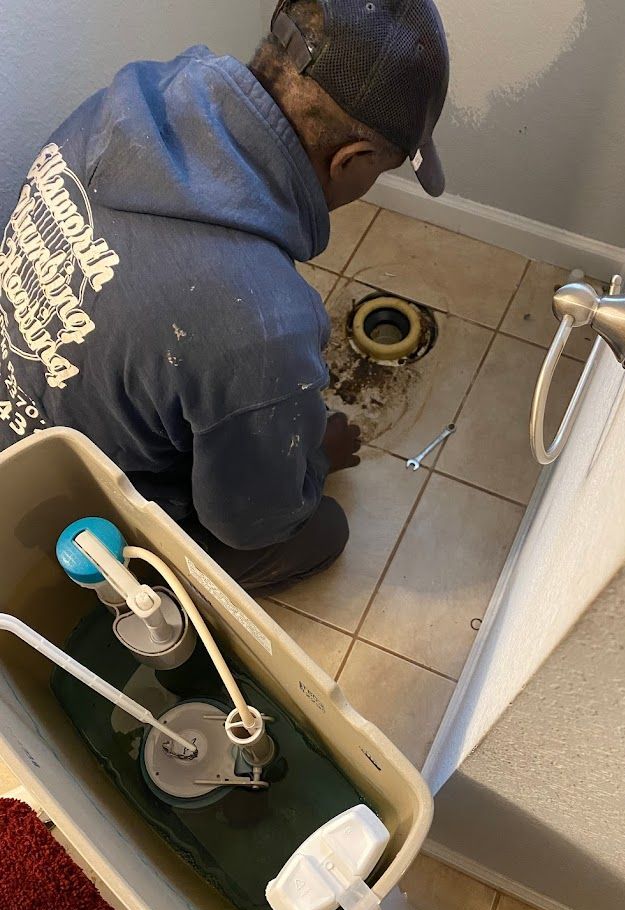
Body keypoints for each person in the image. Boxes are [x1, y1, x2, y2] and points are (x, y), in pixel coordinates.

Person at [0, 0, 449, 594]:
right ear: (352, 160)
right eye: (380, 171)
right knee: (321, 530)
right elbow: (249, 521)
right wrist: (316, 458)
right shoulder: (263, 324)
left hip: (21, 409)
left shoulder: (131, 100)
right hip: (65, 524)